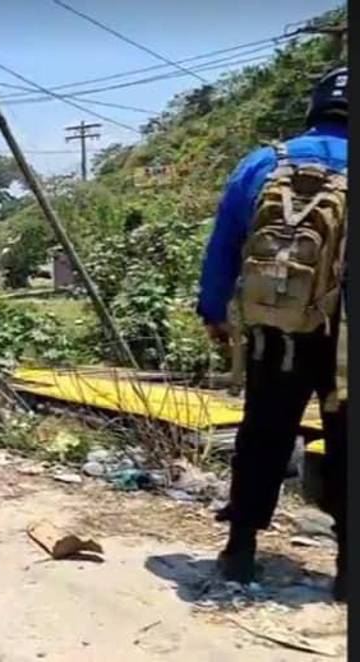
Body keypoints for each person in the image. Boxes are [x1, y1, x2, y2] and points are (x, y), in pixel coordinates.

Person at [197, 67, 347, 598]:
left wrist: (214, 311)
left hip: (278, 327)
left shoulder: (264, 163)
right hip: (346, 338)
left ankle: (240, 551)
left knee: (264, 432)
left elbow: (224, 244)